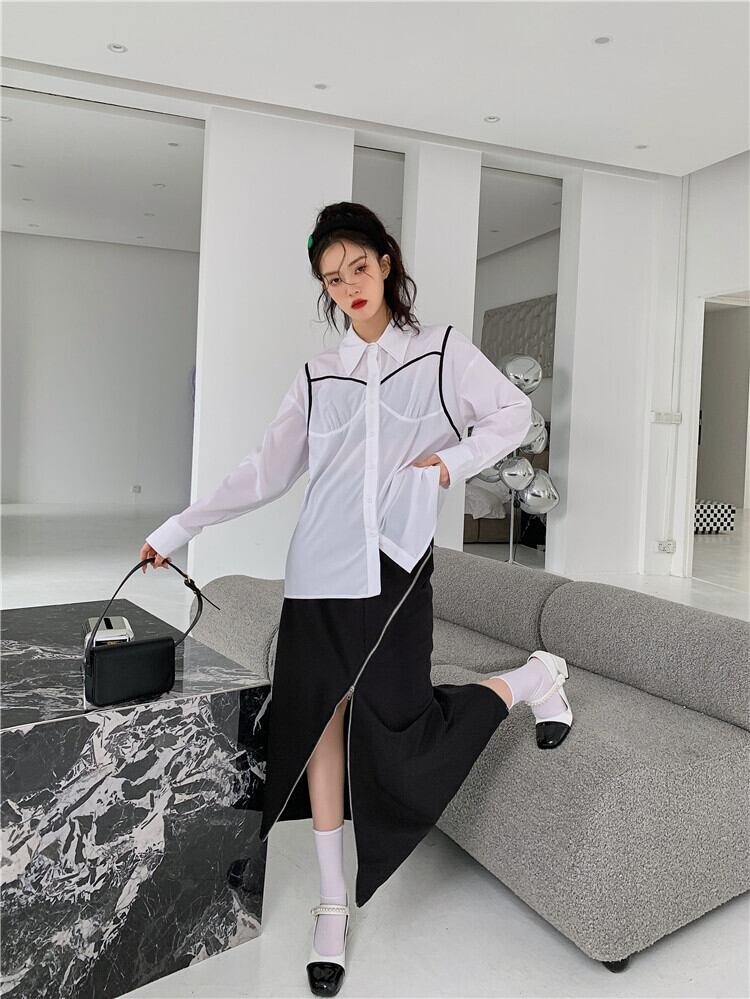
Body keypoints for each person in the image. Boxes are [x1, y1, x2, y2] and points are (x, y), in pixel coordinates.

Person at [141, 202, 573, 998]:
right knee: (321, 725)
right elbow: (264, 471)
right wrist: (177, 528)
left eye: (359, 269)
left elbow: (514, 414)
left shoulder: (441, 352)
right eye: (333, 280)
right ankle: (332, 904)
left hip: (397, 567)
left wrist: (448, 464)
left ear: (386, 260)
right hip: (318, 570)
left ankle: (533, 679)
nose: (350, 288)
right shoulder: (319, 374)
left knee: (405, 733)